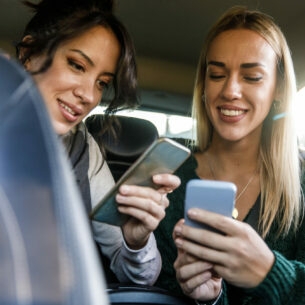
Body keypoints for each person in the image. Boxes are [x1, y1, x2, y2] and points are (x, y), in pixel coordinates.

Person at [15, 0, 180, 285]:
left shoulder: (84, 151)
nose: (89, 96)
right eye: (77, 65)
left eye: (102, 83)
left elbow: (134, 274)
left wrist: (135, 241)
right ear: (29, 54)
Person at [154, 6, 305, 304]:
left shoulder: (302, 182)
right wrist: (206, 299)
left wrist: (269, 273)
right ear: (204, 86)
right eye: (217, 74)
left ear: (278, 88)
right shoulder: (167, 176)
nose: (230, 90)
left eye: (251, 77)